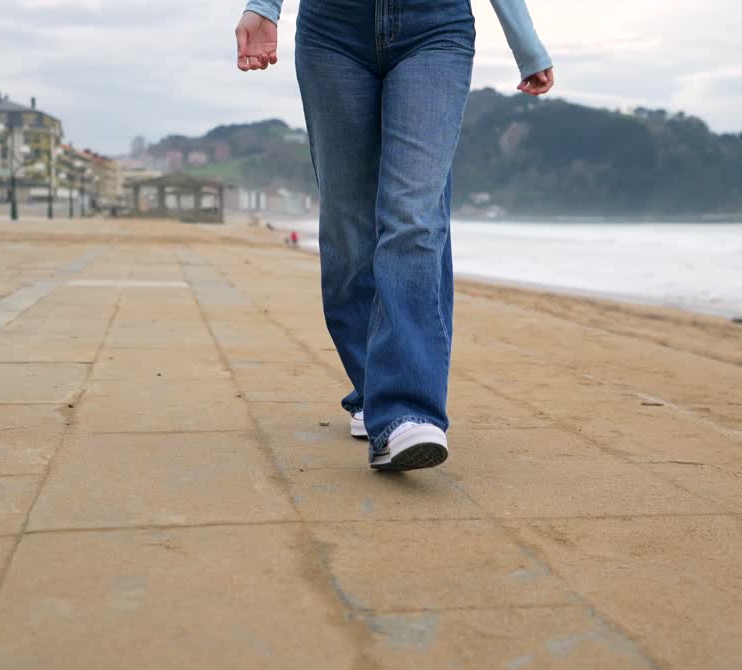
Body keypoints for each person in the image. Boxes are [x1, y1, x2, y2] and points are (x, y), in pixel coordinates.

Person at [236, 0, 554, 471]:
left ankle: (407, 411)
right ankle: (373, 387)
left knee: (414, 218)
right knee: (349, 228)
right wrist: (264, 6)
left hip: (436, 28)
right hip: (333, 30)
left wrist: (524, 40)